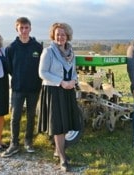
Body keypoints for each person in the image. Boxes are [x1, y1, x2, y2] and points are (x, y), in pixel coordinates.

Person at [37, 22, 81, 172]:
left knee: (66, 123)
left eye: (63, 34)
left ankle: (58, 151)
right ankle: (62, 158)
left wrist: (74, 81)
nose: (60, 37)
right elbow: (42, 72)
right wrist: (61, 82)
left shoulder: (71, 52)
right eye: (57, 35)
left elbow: (74, 71)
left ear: (67, 36)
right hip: (54, 91)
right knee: (58, 126)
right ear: (53, 36)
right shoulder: (48, 52)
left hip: (68, 91)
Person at [1, 17, 43, 157]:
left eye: (26, 27)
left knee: (31, 116)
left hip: (34, 88)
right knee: (15, 117)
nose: (24, 30)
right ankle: (14, 144)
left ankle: (28, 141)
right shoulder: (11, 48)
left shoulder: (37, 47)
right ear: (17, 29)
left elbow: (40, 68)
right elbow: (10, 68)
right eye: (21, 28)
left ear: (30, 28)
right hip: (18, 88)